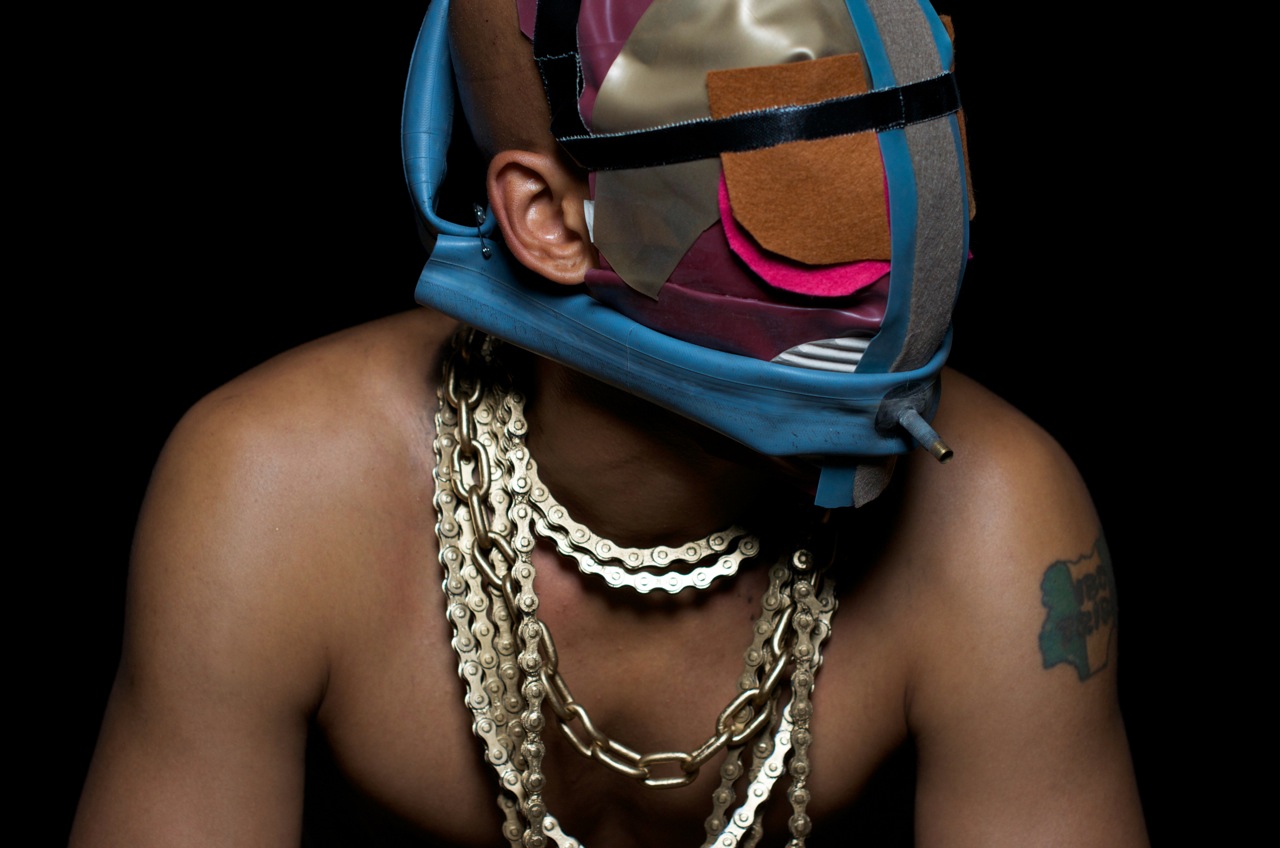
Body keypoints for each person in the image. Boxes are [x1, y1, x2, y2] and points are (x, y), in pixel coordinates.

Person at [71, 1, 1148, 845]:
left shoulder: (995, 519)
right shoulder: (275, 491)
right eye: (796, 179)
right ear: (549, 219)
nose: (893, 218)